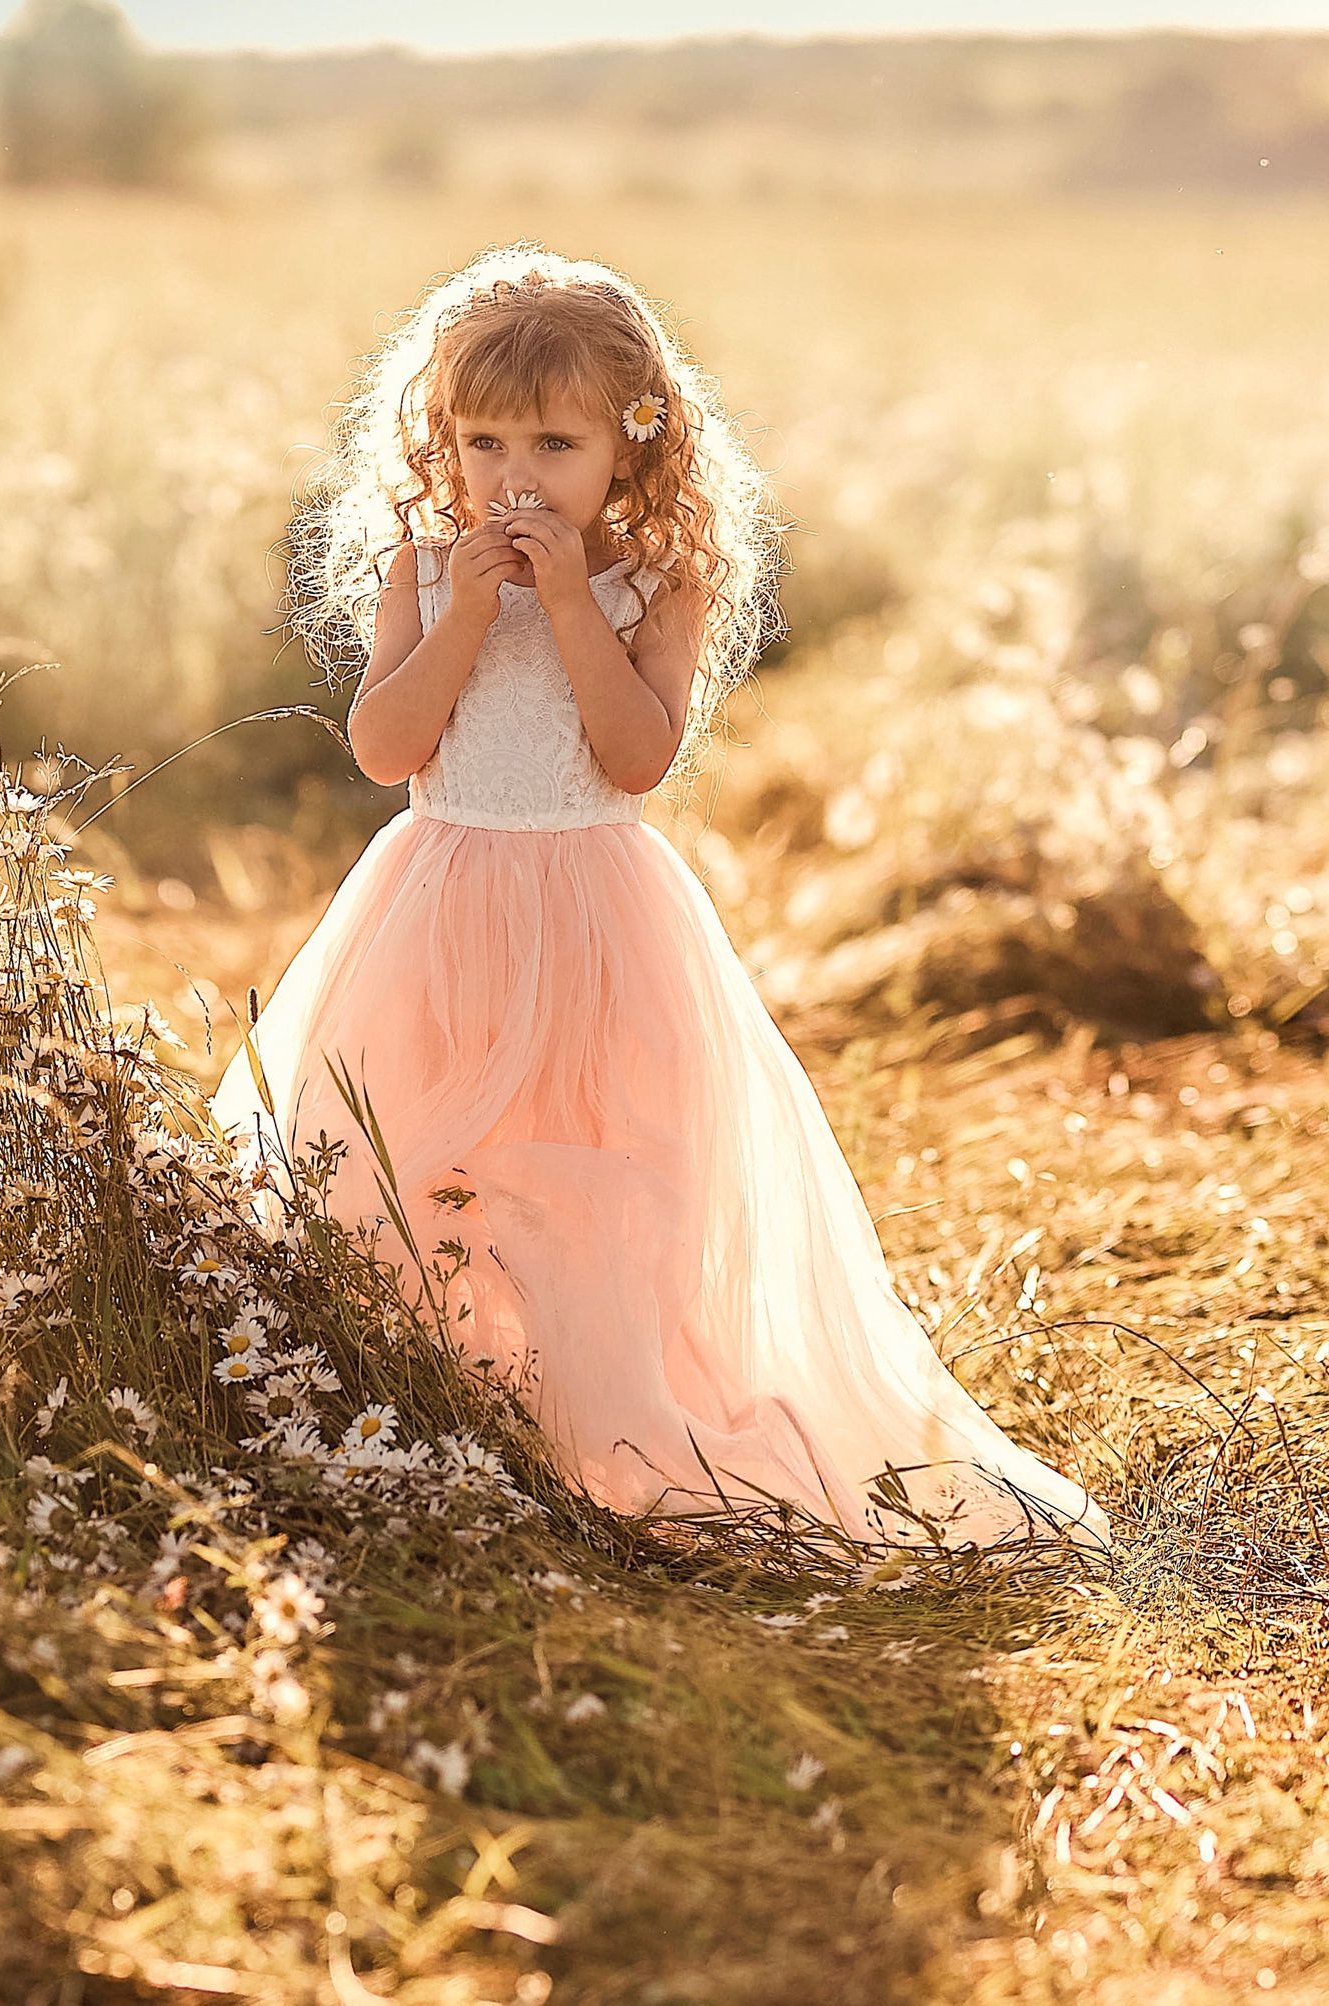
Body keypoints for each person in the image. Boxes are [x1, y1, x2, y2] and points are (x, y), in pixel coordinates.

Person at [212, 246, 1111, 1553]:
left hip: (594, 917)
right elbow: (387, 746)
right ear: (443, 441)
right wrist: (462, 615)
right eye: (485, 440)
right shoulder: (423, 569)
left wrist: (572, 600)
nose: (516, 477)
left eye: (556, 443)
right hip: (435, 906)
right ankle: (431, 1418)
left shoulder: (655, 580)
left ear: (632, 447)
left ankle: (603, 1435)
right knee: (410, 1165)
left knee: (597, 1175)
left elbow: (637, 755)